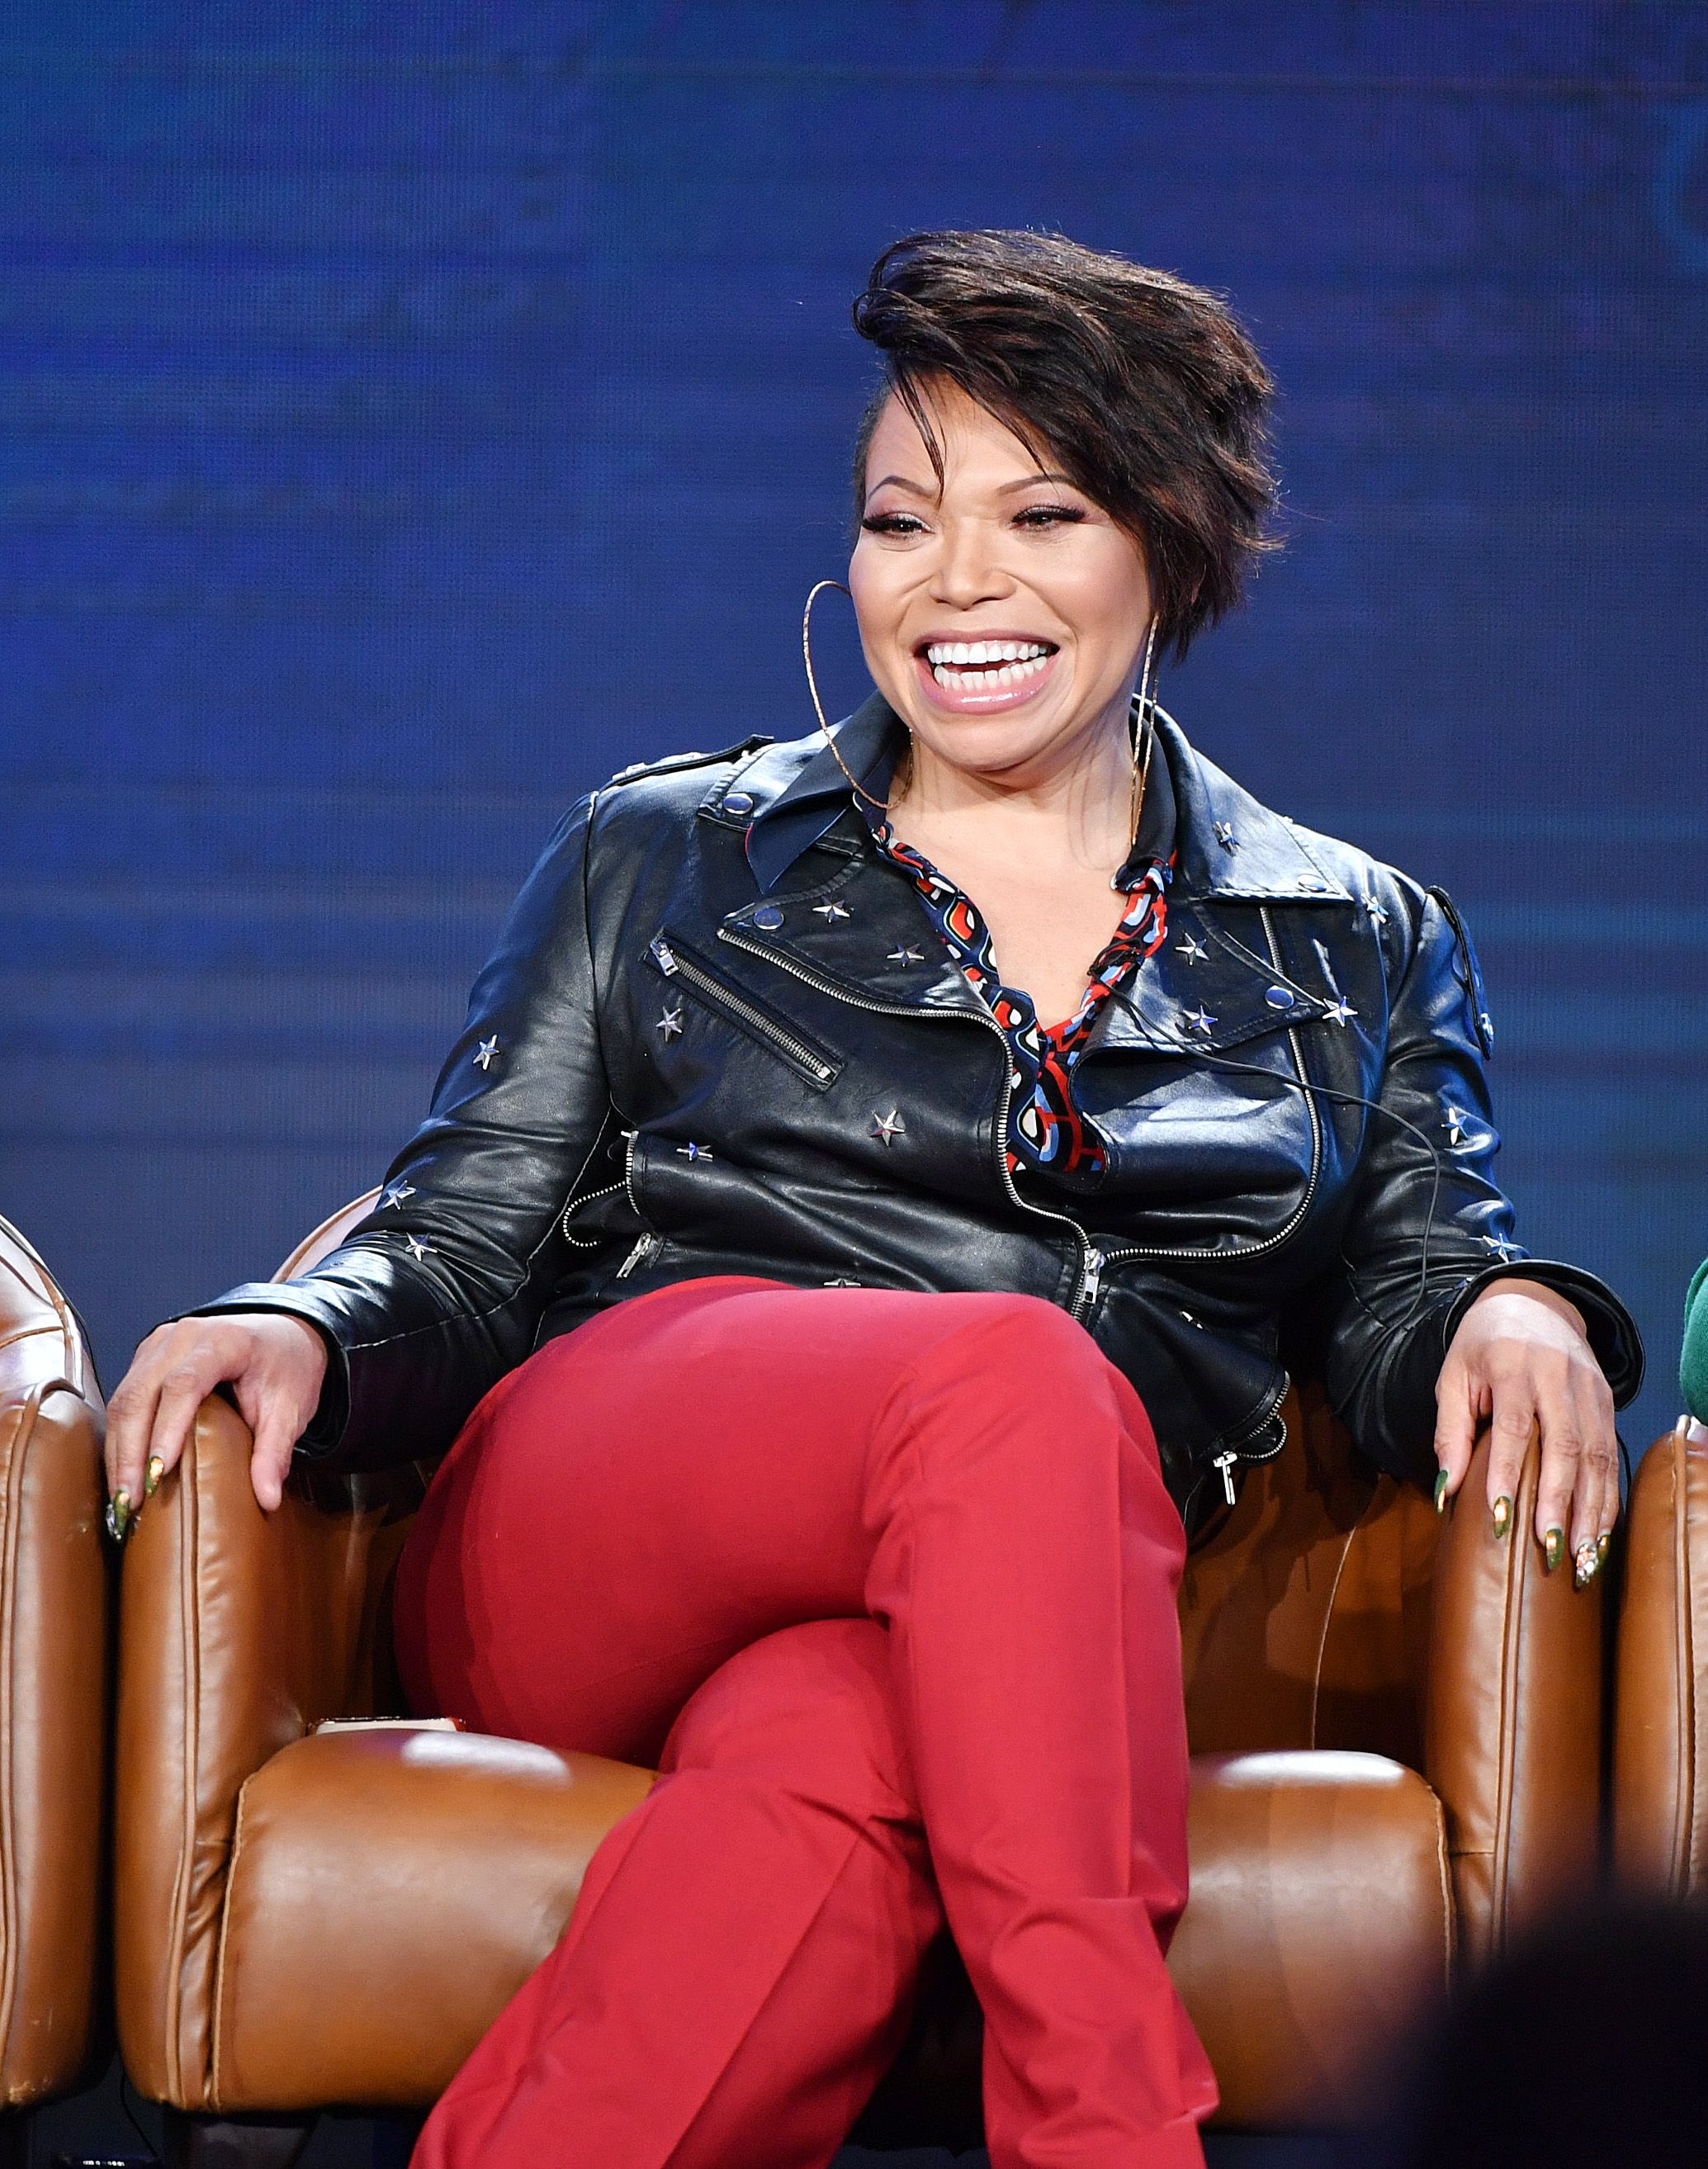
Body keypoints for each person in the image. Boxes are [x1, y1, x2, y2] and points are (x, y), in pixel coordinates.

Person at [103, 230, 1644, 2169]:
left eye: (1039, 512)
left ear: (1166, 549)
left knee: (830, 1780)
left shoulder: (1360, 940)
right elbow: (468, 1229)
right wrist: (309, 1317)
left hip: (1001, 1621)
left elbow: (1416, 1280)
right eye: (901, 522)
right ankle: (1102, 2124)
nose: (958, 583)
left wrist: (1515, 1306)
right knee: (1009, 1380)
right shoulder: (669, 852)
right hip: (609, 1517)